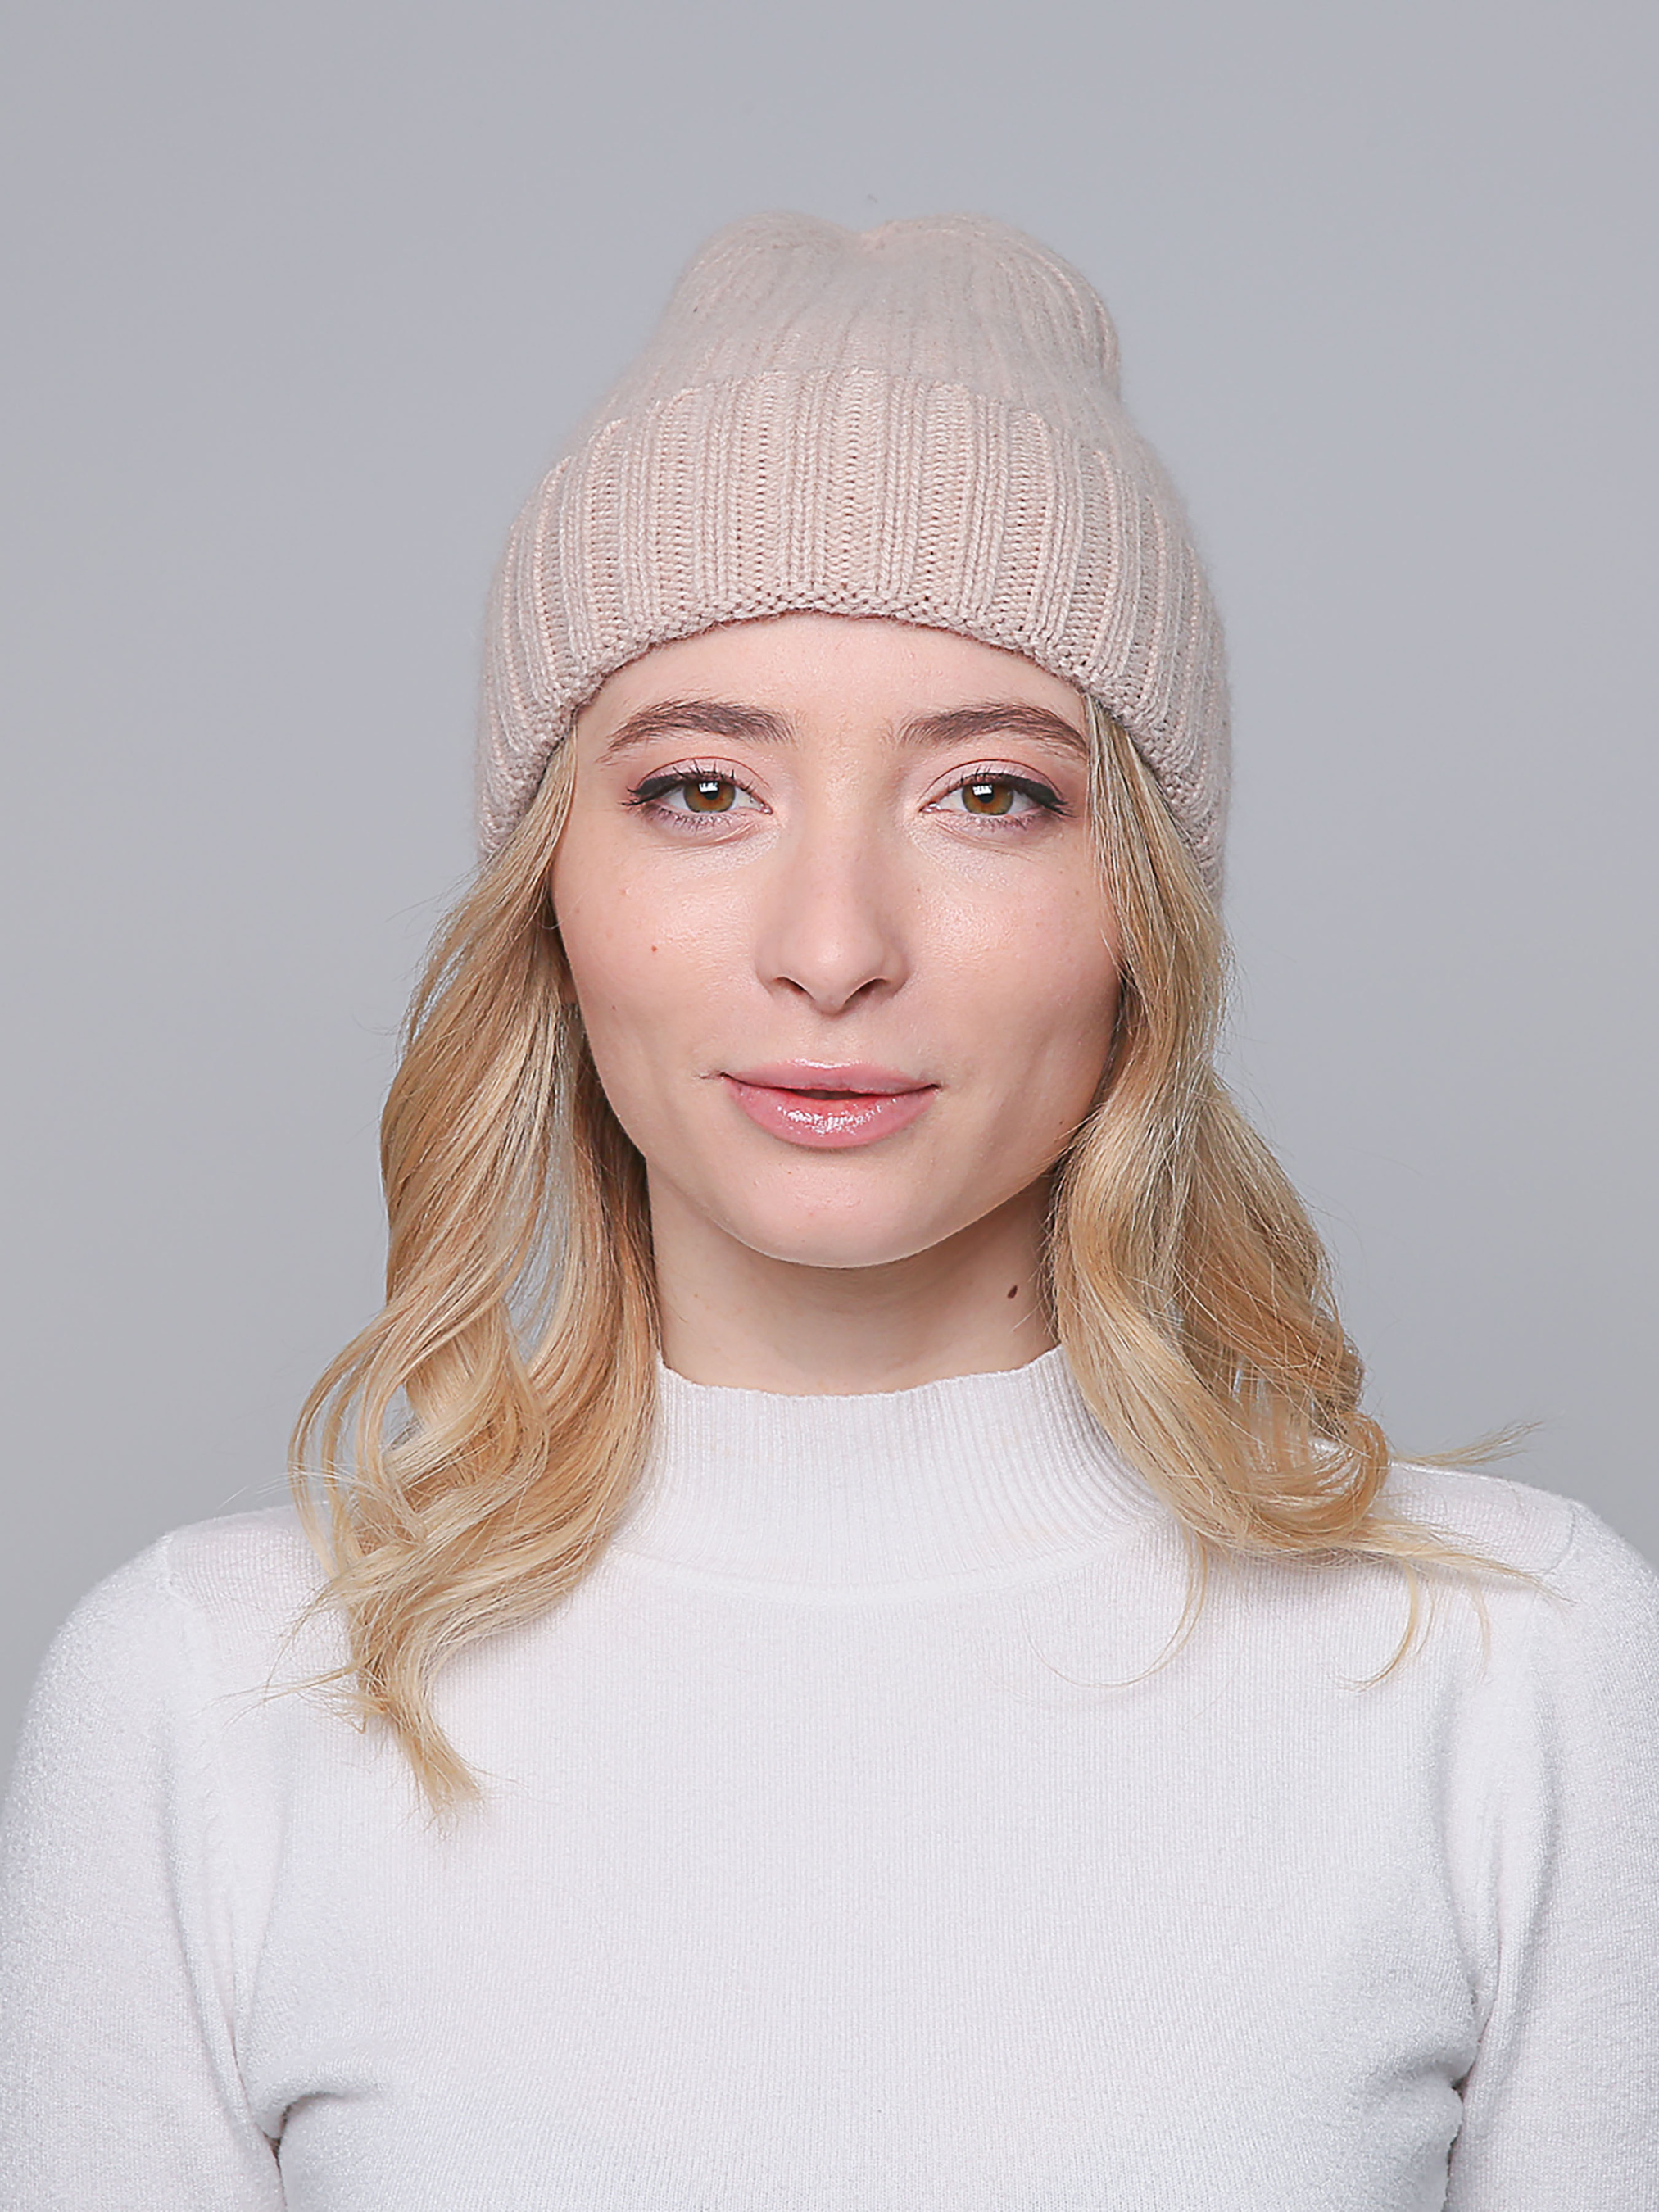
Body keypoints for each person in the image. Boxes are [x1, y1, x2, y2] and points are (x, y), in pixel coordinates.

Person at [2, 212, 1655, 2212]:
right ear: (552, 889)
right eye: (700, 789)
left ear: (1140, 909)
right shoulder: (208, 1698)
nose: (834, 944)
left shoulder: (1511, 1670)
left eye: (992, 794)